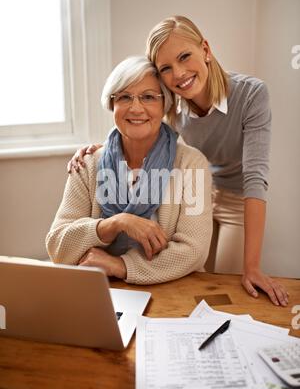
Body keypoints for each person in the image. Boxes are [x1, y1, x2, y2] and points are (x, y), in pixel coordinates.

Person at [67, 16, 289, 306]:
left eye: (185, 56)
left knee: (226, 285)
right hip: (194, 192)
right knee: (189, 277)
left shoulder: (251, 94)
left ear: (206, 50)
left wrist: (253, 267)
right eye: (166, 68)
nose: (179, 73)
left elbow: (255, 179)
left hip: (236, 196)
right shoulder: (173, 100)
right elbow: (140, 121)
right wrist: (101, 148)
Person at [46, 56, 212, 284]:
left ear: (165, 104)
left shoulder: (192, 165)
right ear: (112, 104)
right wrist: (116, 223)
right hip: (104, 292)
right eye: (124, 97)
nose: (135, 108)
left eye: (148, 97)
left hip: (174, 290)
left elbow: (194, 251)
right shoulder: (88, 164)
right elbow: (58, 246)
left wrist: (121, 266)